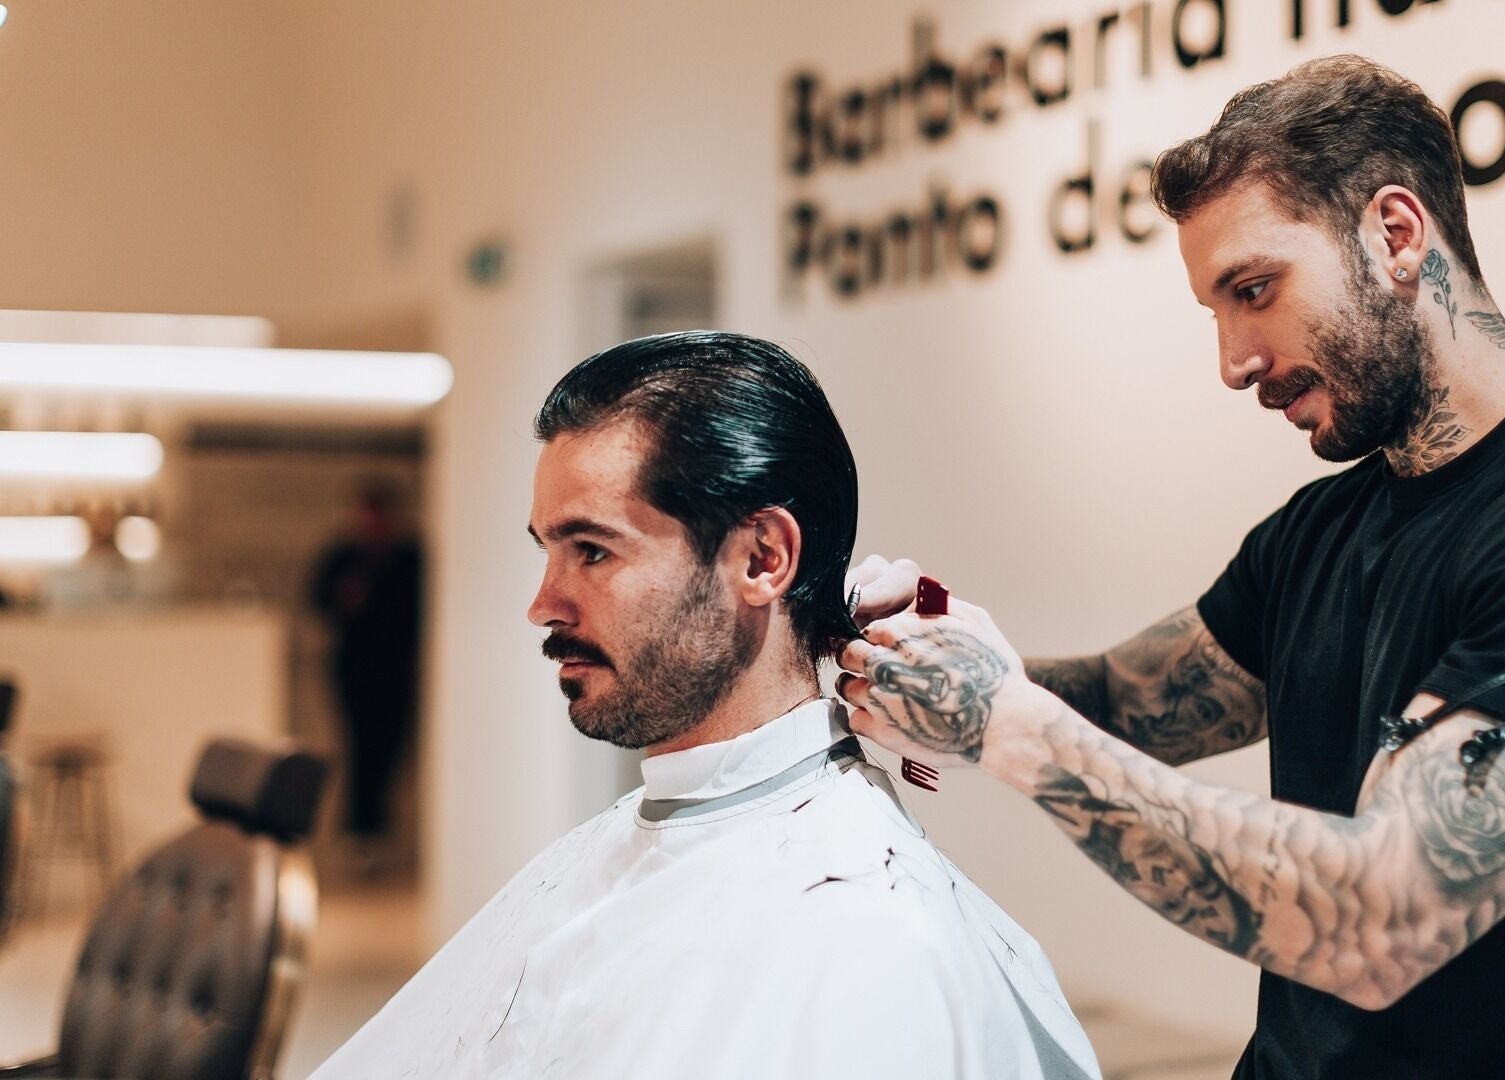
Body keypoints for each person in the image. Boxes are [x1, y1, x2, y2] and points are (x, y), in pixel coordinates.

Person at [838, 55, 1505, 1079]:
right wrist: (903, 658)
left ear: (1395, 234)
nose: (1232, 360)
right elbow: (1125, 701)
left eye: (1253, 289)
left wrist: (1006, 723)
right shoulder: (1314, 534)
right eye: (1215, 311)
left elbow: (1382, 922)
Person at [314, 332, 1100, 1078]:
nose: (544, 604)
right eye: (547, 551)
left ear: (762, 558)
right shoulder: (644, 839)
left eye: (592, 551)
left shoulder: (866, 933)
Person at [310, 484, 423, 856]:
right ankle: (361, 833)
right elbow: (318, 603)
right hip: (353, 667)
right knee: (358, 745)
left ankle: (376, 830)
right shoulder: (343, 556)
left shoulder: (409, 557)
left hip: (397, 668)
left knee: (391, 746)